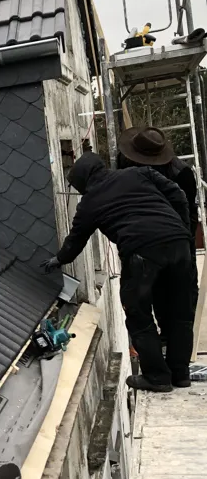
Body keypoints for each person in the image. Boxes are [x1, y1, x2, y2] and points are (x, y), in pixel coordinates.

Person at [40, 152, 193, 392]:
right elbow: (179, 195)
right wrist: (182, 228)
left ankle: (157, 377)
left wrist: (59, 259)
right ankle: (181, 374)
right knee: (180, 310)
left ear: (83, 181)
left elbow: (76, 239)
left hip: (142, 251)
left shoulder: (89, 203)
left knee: (138, 313)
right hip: (180, 245)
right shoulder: (139, 173)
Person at [116, 126, 199, 338]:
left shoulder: (181, 174)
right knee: (149, 294)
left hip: (176, 236)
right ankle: (163, 338)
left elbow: (188, 212)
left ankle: (178, 338)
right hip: (141, 240)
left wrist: (183, 245)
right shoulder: (126, 163)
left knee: (181, 294)